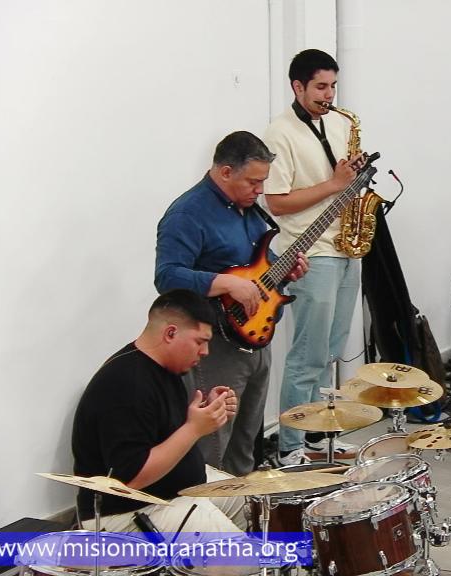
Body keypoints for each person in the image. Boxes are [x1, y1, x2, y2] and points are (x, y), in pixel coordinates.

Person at [155, 131, 308, 475]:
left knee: (246, 441)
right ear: (225, 172)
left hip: (256, 339)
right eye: (253, 182)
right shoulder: (187, 214)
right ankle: (206, 506)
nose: (260, 190)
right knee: (213, 443)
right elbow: (166, 277)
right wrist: (223, 283)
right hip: (215, 345)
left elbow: (257, 269)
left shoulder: (250, 212)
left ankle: (243, 502)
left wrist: (284, 272)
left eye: (263, 181)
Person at [263, 49, 363, 466]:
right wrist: (335, 184)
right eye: (321, 86)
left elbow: (343, 182)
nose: (329, 95)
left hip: (345, 247)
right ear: (297, 86)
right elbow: (276, 202)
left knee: (330, 352)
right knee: (307, 356)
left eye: (333, 86)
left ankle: (318, 437)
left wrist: (355, 178)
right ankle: (290, 447)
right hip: (308, 252)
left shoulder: (340, 124)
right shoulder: (278, 134)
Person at [72, 289, 245, 533]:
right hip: (127, 511)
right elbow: (131, 478)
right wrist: (194, 428)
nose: (206, 352)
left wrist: (206, 412)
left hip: (173, 492)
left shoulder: (165, 368)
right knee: (240, 552)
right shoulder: (126, 384)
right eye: (200, 341)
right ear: (170, 333)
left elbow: (162, 430)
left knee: (252, 502)